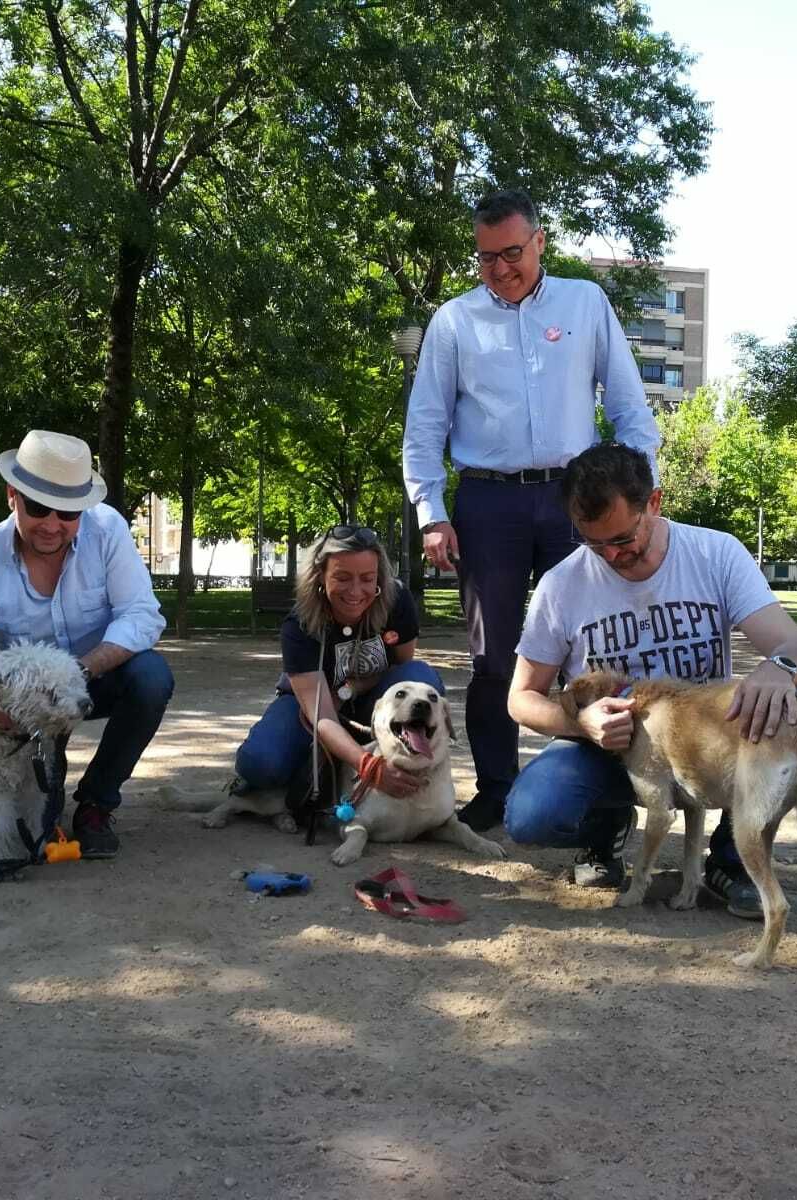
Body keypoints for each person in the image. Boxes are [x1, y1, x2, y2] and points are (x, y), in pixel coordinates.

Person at [403, 187, 660, 833]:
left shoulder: (585, 302)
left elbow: (629, 406)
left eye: (511, 253)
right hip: (487, 501)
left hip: (578, 497)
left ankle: (600, 796)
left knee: (592, 649)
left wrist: (638, 493)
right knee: (495, 656)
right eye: (485, 257)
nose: (499, 269)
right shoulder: (454, 321)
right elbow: (425, 423)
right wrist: (432, 512)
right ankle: (497, 788)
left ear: (540, 241)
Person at [504, 443, 797, 918]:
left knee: (791, 699)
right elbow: (521, 697)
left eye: (623, 537)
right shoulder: (561, 584)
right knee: (531, 814)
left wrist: (778, 670)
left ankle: (732, 861)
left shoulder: (714, 553)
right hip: (609, 748)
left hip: (703, 742)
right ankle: (607, 830)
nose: (612, 555)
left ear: (654, 502)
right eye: (594, 542)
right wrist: (582, 724)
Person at [0, 430, 172, 859]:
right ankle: (47, 780)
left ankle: (96, 802)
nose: (53, 524)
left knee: (151, 677)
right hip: (27, 702)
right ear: (12, 495)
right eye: (38, 507)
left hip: (93, 677)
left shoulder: (108, 530)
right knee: (33, 835)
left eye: (69, 512)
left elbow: (142, 615)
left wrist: (78, 673)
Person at [231, 525, 443, 809]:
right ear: (320, 575)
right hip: (308, 705)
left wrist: (351, 688)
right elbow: (322, 716)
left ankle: (410, 771)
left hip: (372, 699)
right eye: (342, 578)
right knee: (261, 763)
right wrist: (369, 766)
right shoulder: (300, 625)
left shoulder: (397, 602)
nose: (356, 591)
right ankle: (276, 778)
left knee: (420, 676)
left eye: (367, 579)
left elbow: (402, 673)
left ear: (379, 576)